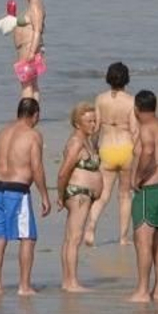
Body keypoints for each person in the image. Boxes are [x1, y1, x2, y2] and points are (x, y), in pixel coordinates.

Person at [0, 97, 49, 296]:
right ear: (35, 115)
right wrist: (44, 195)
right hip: (17, 190)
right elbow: (36, 167)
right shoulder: (32, 135)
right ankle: (24, 286)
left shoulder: (2, 133)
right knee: (28, 238)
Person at [127, 90, 158, 303]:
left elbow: (147, 153)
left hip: (148, 190)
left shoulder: (147, 129)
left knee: (143, 242)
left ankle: (142, 290)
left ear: (137, 108)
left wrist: (138, 177)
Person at [87, 61, 137, 247]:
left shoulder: (100, 99)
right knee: (124, 195)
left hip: (107, 149)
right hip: (126, 150)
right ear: (127, 79)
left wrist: (92, 149)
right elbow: (134, 129)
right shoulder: (131, 101)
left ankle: (91, 227)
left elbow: (96, 127)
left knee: (102, 195)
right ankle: (123, 238)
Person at [55, 102, 102, 292]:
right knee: (74, 239)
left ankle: (68, 281)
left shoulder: (88, 141)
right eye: (89, 121)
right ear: (77, 124)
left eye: (94, 120)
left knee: (70, 238)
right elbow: (63, 172)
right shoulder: (76, 142)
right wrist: (60, 196)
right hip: (78, 194)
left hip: (83, 194)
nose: (93, 124)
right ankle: (71, 282)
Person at [12, 0, 46, 99]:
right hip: (30, 47)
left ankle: (26, 114)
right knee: (32, 83)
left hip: (29, 47)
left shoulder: (35, 7)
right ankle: (34, 113)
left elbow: (37, 30)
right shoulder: (33, 5)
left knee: (26, 84)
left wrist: (31, 52)